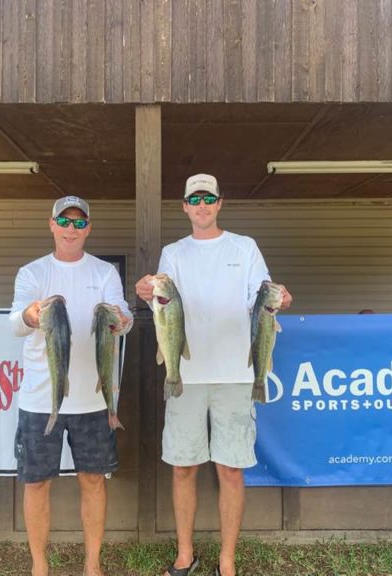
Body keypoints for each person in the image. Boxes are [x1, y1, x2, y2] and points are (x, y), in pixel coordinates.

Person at [135, 174, 292, 576]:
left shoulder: (245, 247)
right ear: (184, 206)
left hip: (237, 374)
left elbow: (262, 298)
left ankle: (227, 560)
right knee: (183, 466)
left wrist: (279, 299)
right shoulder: (173, 253)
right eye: (194, 199)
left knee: (231, 468)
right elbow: (162, 301)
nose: (201, 205)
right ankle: (185, 555)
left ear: (220, 203)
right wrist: (147, 290)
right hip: (184, 373)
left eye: (208, 198)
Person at [9, 195, 132, 576]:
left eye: (79, 223)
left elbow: (122, 316)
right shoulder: (31, 273)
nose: (71, 229)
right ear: (51, 225)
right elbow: (14, 323)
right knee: (36, 483)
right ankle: (39, 566)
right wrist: (31, 315)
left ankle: (91, 565)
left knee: (93, 481)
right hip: (39, 399)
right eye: (65, 222)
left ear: (88, 229)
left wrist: (120, 320)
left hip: (94, 400)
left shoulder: (104, 273)